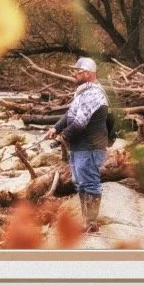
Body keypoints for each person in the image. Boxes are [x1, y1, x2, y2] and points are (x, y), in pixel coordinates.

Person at [51, 57, 111, 237]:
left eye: (77, 71)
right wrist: (55, 128)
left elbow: (80, 123)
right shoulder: (82, 92)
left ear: (88, 74)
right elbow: (70, 114)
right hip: (79, 146)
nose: (74, 74)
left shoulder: (94, 93)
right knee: (80, 182)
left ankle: (91, 223)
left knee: (90, 183)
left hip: (90, 146)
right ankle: (86, 221)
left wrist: (62, 137)